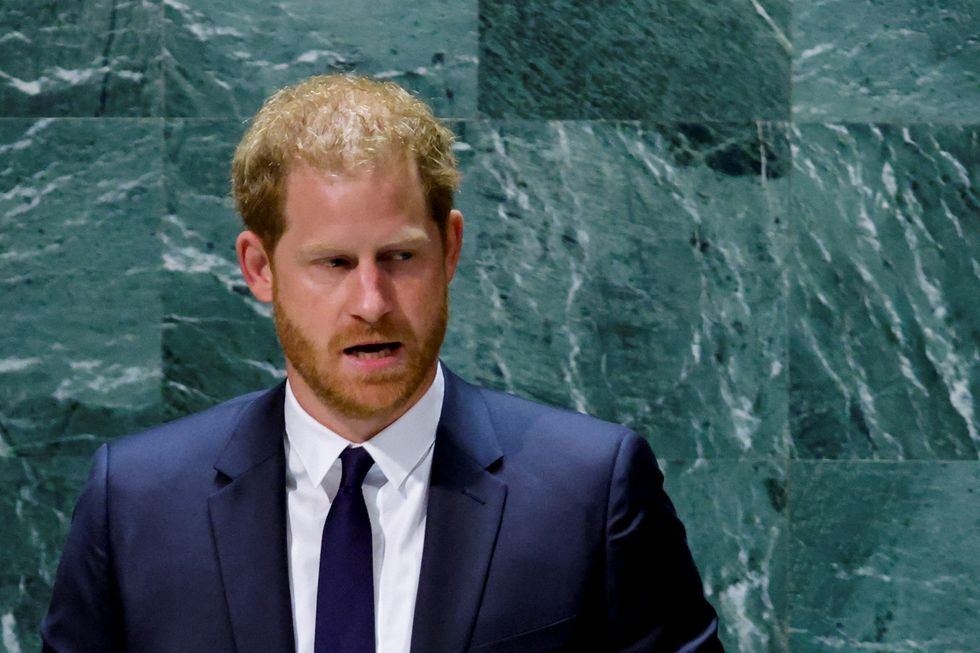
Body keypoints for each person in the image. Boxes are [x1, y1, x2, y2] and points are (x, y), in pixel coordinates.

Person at [40, 74, 723, 652]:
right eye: (334, 263)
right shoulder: (133, 504)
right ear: (259, 266)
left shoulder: (592, 490)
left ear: (449, 249)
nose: (372, 301)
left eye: (400, 257)